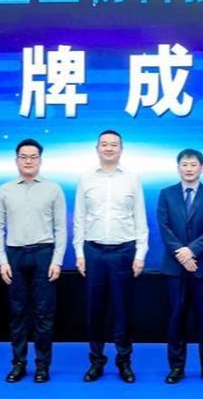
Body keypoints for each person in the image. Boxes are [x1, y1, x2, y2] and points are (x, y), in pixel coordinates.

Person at [73, 130, 148, 383]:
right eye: (104, 144)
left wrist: (140, 254)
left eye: (113, 145)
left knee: (123, 311)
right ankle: (96, 362)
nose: (108, 148)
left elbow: (140, 218)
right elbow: (79, 218)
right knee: (95, 311)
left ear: (121, 149)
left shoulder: (132, 179)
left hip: (124, 252)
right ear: (97, 149)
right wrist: (79, 253)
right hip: (93, 252)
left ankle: (124, 362)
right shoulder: (86, 178)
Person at [0, 138, 66, 384]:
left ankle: (42, 366)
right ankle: (19, 364)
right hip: (15, 255)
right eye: (23, 157)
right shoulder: (5, 190)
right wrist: (2, 261)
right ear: (16, 160)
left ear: (40, 160)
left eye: (33, 157)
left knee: (44, 314)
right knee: (17, 313)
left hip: (44, 254)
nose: (28, 161)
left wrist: (57, 260)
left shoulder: (53, 189)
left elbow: (61, 228)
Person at [157, 148, 203, 385]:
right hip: (175, 267)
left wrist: (191, 250)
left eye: (193, 164)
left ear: (201, 168)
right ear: (178, 168)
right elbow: (164, 227)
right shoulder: (166, 194)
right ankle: (176, 368)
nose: (189, 169)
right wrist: (182, 253)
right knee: (176, 318)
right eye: (184, 164)